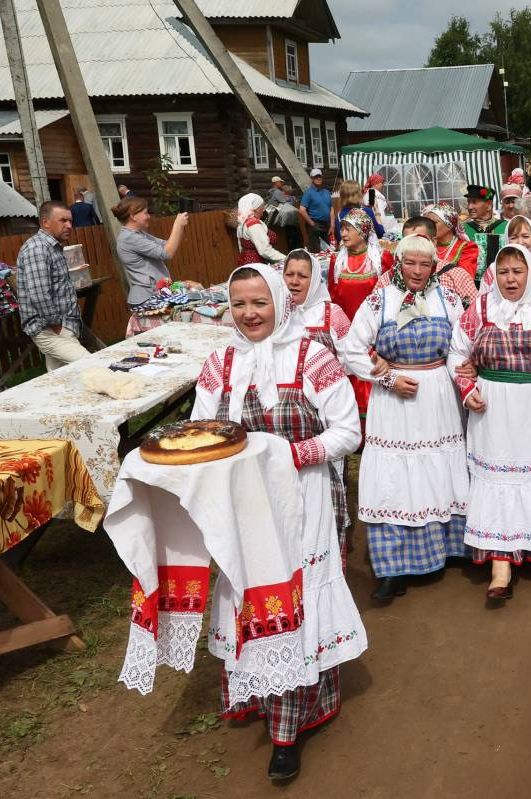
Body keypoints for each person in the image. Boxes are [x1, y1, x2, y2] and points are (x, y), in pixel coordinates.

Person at [192, 263, 366, 781]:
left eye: (259, 302)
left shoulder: (313, 357)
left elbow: (347, 432)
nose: (249, 314)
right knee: (251, 596)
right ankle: (257, 696)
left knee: (294, 598)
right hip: (244, 505)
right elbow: (204, 430)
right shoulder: (220, 362)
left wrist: (285, 455)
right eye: (240, 303)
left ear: (280, 303)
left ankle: (287, 729)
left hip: (303, 501)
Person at [447, 244, 531, 600]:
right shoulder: (480, 308)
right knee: (496, 479)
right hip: (493, 409)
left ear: (530, 273)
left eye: (518, 271)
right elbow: (457, 353)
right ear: (495, 274)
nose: (511, 279)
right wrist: (466, 387)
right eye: (504, 271)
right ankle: (500, 562)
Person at [343, 234, 470, 601]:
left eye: (424, 264)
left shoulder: (447, 299)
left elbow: (459, 348)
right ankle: (391, 569)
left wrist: (464, 376)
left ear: (434, 267)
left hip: (438, 397)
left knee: (438, 470)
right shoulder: (380, 301)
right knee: (395, 477)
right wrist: (386, 377)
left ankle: (446, 551)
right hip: (394, 398)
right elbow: (351, 347)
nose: (417, 271)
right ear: (398, 263)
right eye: (410, 263)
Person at [16, 201, 90, 370]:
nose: (69, 225)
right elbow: (39, 294)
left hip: (61, 326)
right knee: (90, 365)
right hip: (50, 328)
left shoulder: (53, 247)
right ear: (45, 222)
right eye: (63, 220)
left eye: (70, 221)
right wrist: (56, 325)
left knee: (60, 380)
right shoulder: (37, 248)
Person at [113, 196, 189, 335]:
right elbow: (167, 253)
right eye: (146, 213)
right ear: (133, 216)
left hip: (153, 296)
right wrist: (177, 225)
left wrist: (181, 226)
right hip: (147, 298)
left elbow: (167, 244)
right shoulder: (129, 238)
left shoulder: (138, 234)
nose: (149, 216)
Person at [281, 249, 352, 361]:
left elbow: (353, 358)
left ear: (314, 280)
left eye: (302, 276)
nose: (294, 281)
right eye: (289, 274)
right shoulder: (276, 314)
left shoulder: (332, 314)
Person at [419, 202, 481, 303]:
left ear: (449, 225)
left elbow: (464, 280)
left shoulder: (467, 248)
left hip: (454, 301)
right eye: (427, 222)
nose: (428, 227)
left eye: (434, 223)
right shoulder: (425, 245)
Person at [329, 208, 382, 324]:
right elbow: (333, 296)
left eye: (348, 229)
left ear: (362, 231)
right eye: (342, 229)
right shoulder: (338, 261)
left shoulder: (379, 259)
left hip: (372, 323)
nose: (343, 234)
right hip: (345, 323)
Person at [463, 184, 507, 284]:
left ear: (489, 205)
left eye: (474, 202)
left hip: (500, 283)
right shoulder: (463, 229)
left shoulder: (506, 227)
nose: (470, 207)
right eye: (468, 202)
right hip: (470, 284)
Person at [236, 193, 286, 266]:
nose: (263, 209)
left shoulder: (243, 221)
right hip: (256, 263)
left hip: (246, 261)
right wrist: (286, 259)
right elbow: (265, 250)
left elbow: (241, 247)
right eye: (262, 207)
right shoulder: (253, 224)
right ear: (255, 208)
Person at [333, 181, 383, 248]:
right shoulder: (366, 212)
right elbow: (380, 233)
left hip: (348, 254)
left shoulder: (339, 215)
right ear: (358, 194)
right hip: (365, 253)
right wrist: (376, 209)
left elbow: (339, 237)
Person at [299, 168, 332, 251]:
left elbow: (332, 209)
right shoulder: (308, 193)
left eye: (319, 176)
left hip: (326, 224)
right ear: (311, 178)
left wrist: (332, 224)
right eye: (316, 177)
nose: (318, 178)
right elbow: (302, 210)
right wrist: (311, 223)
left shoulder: (327, 192)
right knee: (316, 250)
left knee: (327, 249)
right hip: (315, 224)